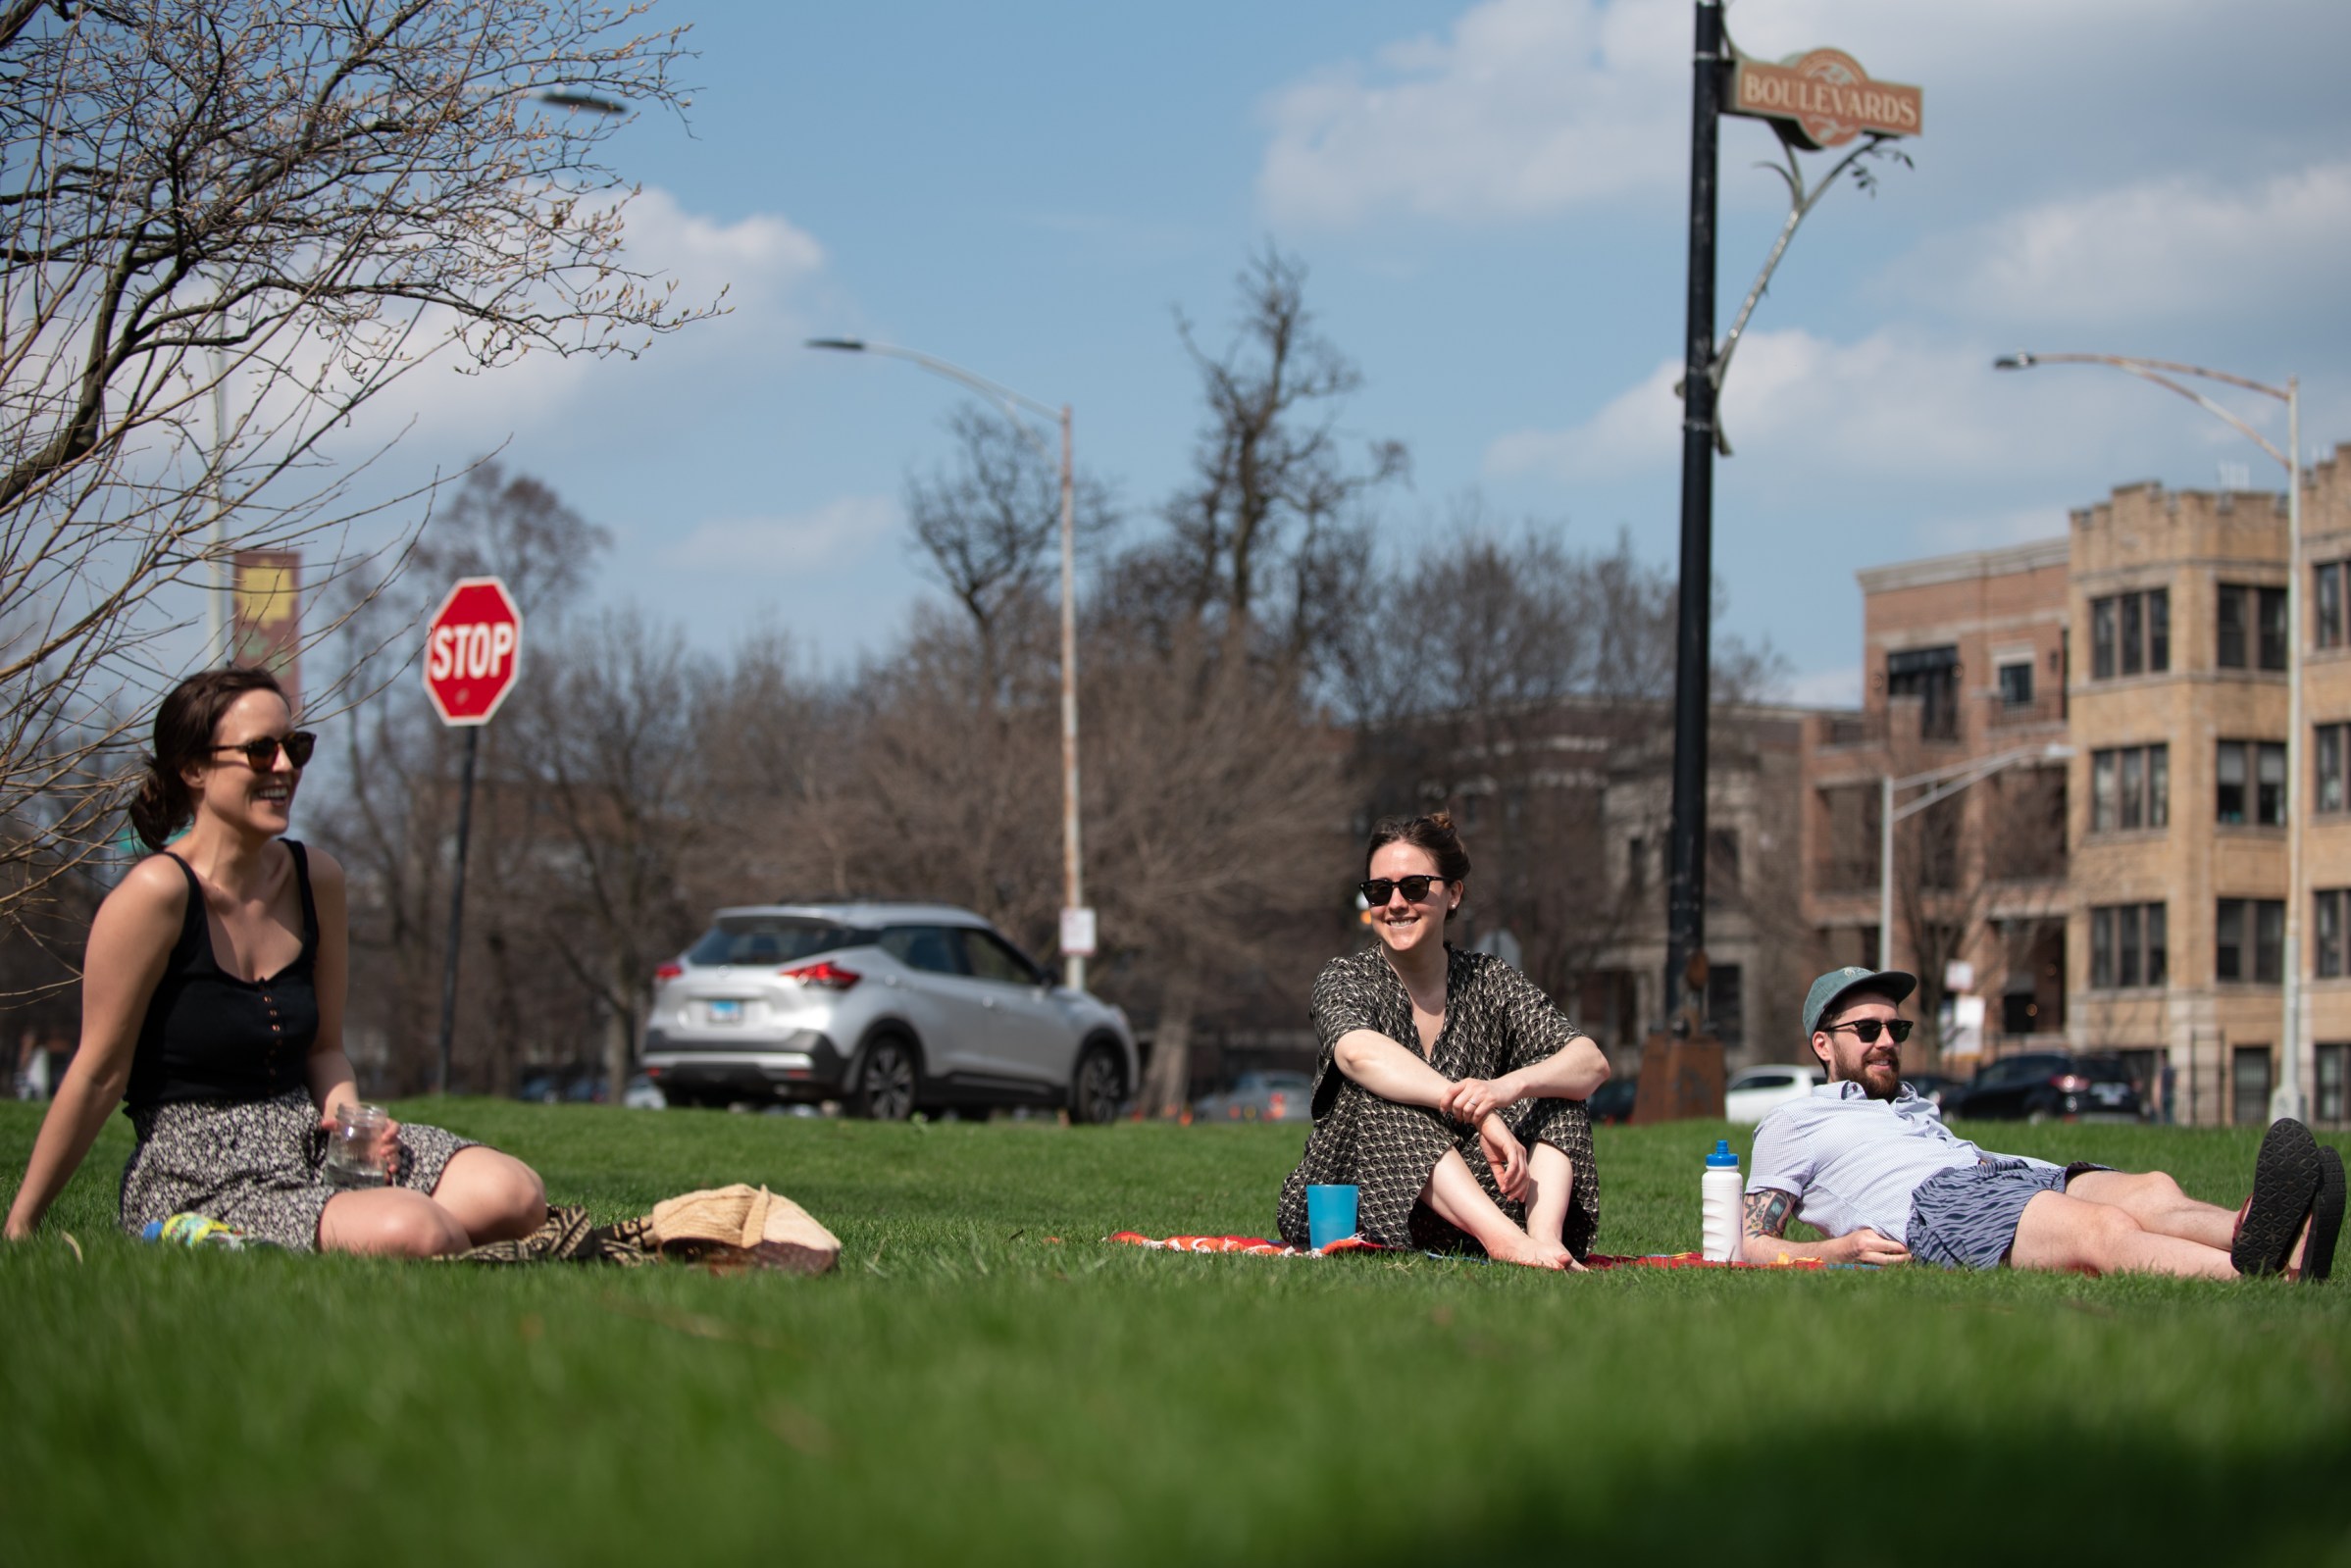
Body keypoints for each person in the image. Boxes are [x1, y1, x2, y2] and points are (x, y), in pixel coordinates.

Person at [3, 668, 547, 1255]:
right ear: (193, 770)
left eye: (295, 747)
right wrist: (22, 1223)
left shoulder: (317, 878)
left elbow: (324, 1049)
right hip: (199, 1171)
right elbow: (97, 1074)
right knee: (421, 1229)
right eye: (260, 751)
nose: (285, 767)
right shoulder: (155, 895)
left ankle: (372, 1221)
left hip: (305, 1138)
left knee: (516, 1197)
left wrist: (349, 1123)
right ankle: (192, 1235)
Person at [1741, 965, 2345, 1281]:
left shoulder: (1911, 1103)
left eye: (1895, 1030)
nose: (1885, 1041)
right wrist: (1839, 1248)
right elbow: (1750, 1244)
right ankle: (2266, 1278)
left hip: (2002, 1171)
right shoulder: (1795, 1120)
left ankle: (2265, 1237)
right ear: (1823, 1043)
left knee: (2151, 1188)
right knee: (2101, 1228)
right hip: (1935, 1206)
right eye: (1866, 1030)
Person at [1275, 813, 1610, 1269]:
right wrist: (1482, 1115)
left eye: (1413, 887)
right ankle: (1506, 1242)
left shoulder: (1490, 980)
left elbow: (1590, 1062)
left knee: (1558, 1095)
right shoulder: (1346, 978)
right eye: (1379, 890)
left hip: (1469, 1203)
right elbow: (1357, 1051)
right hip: (1359, 1197)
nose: (1395, 903)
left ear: (1453, 894)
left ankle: (1543, 1240)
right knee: (1377, 1094)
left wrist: (1506, 1087)